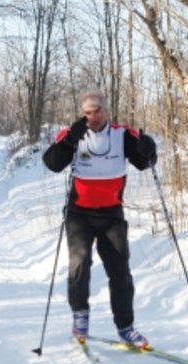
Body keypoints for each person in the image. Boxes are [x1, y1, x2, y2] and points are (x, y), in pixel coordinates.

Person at [42, 89, 157, 348]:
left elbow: (144, 162)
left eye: (96, 112)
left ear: (106, 111)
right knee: (80, 264)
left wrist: (150, 150)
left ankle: (126, 328)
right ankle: (80, 317)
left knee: (120, 273)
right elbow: (52, 163)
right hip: (79, 214)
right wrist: (68, 142)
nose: (91, 117)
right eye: (87, 113)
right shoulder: (72, 134)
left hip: (111, 215)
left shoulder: (122, 135)